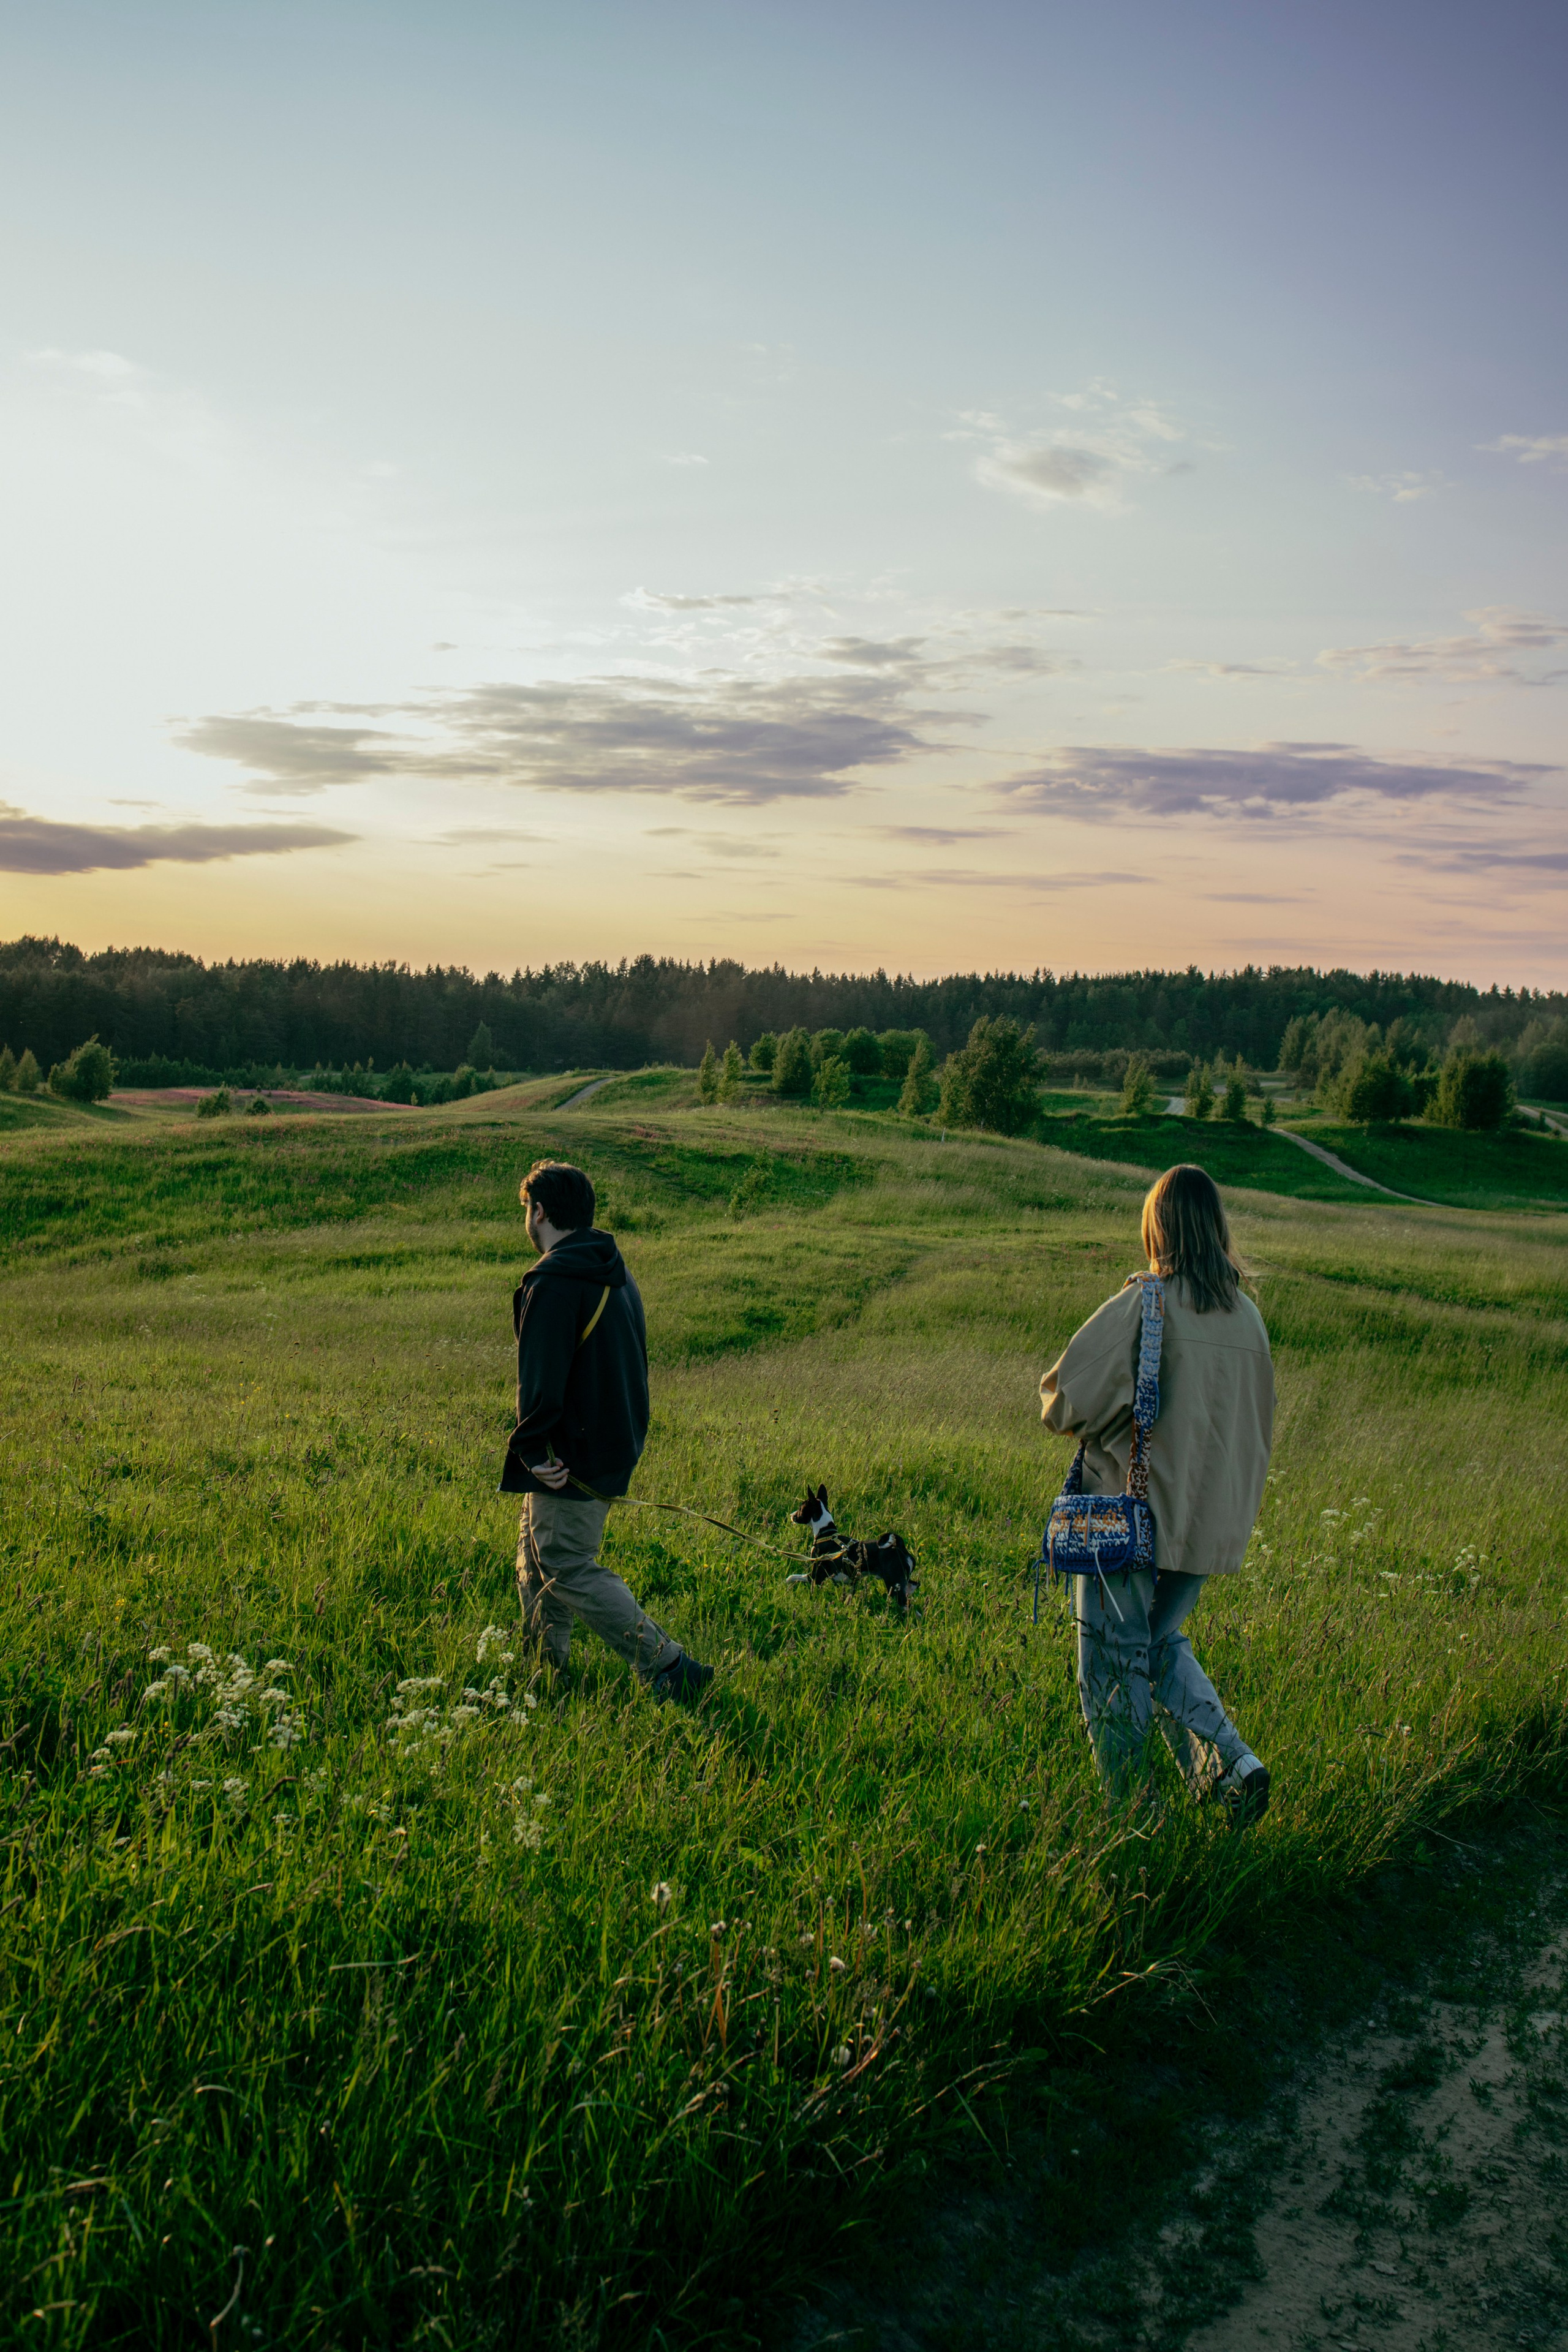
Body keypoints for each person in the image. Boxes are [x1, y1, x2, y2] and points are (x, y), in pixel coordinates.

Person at [1039, 1163, 1274, 1824]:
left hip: (1129, 1524)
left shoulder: (1147, 1303)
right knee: (1157, 1646)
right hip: (1205, 1531)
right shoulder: (1248, 1321)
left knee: (1110, 1671)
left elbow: (1061, 1400)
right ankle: (1231, 1767)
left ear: (1157, 1227)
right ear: (1217, 1229)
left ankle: (1134, 1822)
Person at [499, 1158, 712, 1703]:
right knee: (539, 1553)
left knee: (566, 1564)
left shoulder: (553, 1280)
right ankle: (544, 1670)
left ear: (540, 1211)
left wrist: (529, 1449)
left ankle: (668, 1666)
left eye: (527, 1209)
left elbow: (539, 1382)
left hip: (571, 1456)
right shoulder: (610, 1267)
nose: (527, 1219)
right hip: (609, 1444)